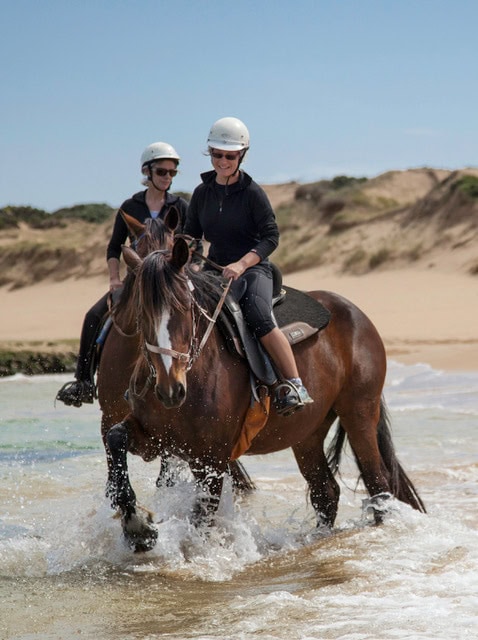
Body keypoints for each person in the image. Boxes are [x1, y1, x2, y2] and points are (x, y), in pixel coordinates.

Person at [184, 117, 313, 415]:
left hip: (253, 269)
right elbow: (190, 235)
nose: (223, 161)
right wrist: (190, 260)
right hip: (213, 271)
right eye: (217, 154)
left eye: (230, 155)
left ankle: (294, 383)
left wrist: (242, 264)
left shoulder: (253, 193)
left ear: (242, 155)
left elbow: (271, 237)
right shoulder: (201, 193)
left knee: (257, 315)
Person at [56, 141, 188, 407]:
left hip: (171, 282)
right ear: (147, 172)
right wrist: (115, 279)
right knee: (94, 315)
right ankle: (82, 381)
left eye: (172, 173)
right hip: (136, 282)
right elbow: (114, 247)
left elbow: (191, 243)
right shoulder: (130, 206)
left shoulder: (181, 206)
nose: (167, 178)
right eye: (162, 171)